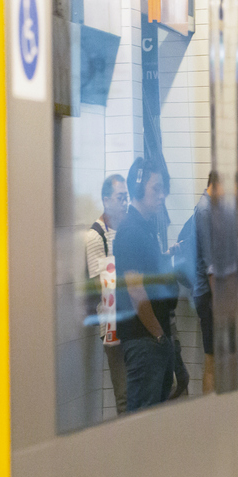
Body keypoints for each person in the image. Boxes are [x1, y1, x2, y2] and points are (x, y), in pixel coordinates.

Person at [114, 157, 181, 411]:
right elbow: (135, 290)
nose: (162, 195)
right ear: (139, 189)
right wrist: (159, 336)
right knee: (143, 424)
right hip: (145, 341)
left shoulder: (144, 229)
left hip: (154, 339)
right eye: (157, 188)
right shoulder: (131, 231)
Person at [85, 174, 129, 414]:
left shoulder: (125, 228)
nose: (124, 203)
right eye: (120, 198)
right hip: (112, 321)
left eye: (126, 198)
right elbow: (99, 286)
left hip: (129, 317)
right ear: (106, 200)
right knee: (123, 393)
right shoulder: (95, 236)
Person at [188, 172, 217, 393]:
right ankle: (211, 414)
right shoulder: (205, 210)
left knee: (216, 358)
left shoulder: (209, 208)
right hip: (209, 294)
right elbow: (211, 265)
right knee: (212, 360)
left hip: (208, 292)